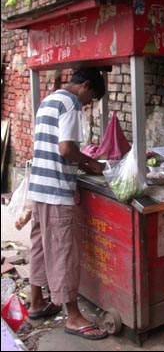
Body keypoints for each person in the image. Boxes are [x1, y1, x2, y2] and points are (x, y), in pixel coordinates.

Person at [27, 68, 109, 340]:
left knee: (40, 245)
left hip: (38, 187)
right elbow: (66, 149)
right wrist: (90, 162)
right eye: (91, 97)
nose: (88, 104)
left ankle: (36, 302)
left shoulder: (48, 101)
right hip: (56, 188)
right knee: (63, 250)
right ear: (85, 85)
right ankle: (73, 317)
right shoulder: (70, 103)